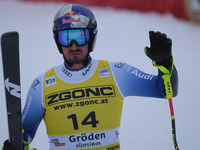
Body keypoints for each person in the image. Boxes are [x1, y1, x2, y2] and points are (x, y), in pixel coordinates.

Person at [3, 3, 178, 150]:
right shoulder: (41, 85)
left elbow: (164, 90)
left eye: (80, 37)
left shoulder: (116, 73)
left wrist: (165, 64)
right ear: (58, 41)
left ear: (91, 38)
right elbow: (24, 133)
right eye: (66, 38)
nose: (73, 45)